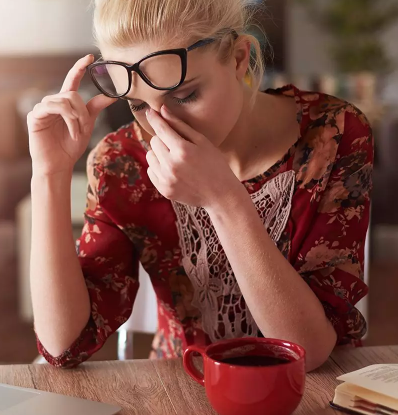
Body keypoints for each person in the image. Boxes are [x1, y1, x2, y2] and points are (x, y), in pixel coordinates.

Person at [27, 0, 373, 372]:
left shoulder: (332, 134)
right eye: (138, 105)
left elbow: (309, 351)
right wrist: (50, 173)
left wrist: (224, 199)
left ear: (239, 58)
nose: (164, 126)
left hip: (310, 393)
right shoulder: (122, 163)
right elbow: (64, 345)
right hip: (181, 386)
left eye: (184, 95)